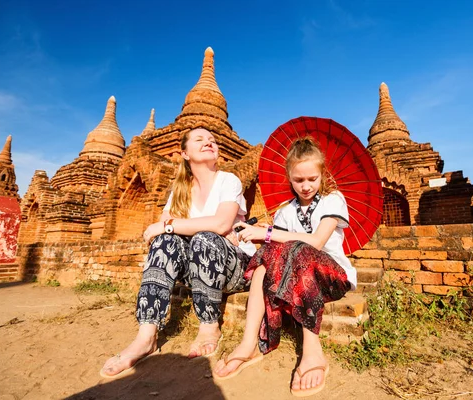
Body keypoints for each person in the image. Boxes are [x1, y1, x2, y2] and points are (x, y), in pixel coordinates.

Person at [100, 127, 255, 378]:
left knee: (205, 238)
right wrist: (175, 227)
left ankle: (209, 325)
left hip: (235, 267)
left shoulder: (229, 180)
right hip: (195, 267)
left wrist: (174, 225)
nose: (209, 142)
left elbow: (219, 225)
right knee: (165, 244)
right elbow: (162, 234)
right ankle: (146, 336)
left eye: (212, 140)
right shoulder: (180, 190)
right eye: (200, 139)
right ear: (184, 153)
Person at [213, 137, 356, 397]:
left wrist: (266, 233)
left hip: (329, 275)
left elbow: (316, 241)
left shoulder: (332, 200)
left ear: (321, 174)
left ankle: (312, 351)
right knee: (266, 259)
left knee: (300, 249)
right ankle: (249, 344)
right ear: (289, 177)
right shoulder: (284, 211)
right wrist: (247, 234)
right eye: (298, 180)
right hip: (292, 275)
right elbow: (273, 247)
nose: (306, 186)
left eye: (312, 179)